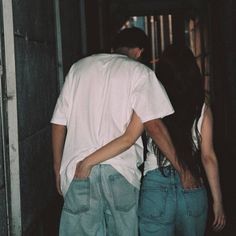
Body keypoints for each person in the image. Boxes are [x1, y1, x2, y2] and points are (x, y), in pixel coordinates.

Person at [51, 27, 181, 236]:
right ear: (139, 51)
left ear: (114, 47)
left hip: (78, 171)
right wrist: (181, 168)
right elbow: (152, 127)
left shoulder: (78, 68)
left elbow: (58, 123)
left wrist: (58, 169)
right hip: (120, 172)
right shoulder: (141, 73)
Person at [138, 44, 226, 236]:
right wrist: (218, 201)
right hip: (192, 185)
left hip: (155, 185)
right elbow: (208, 156)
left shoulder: (151, 101)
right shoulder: (201, 106)